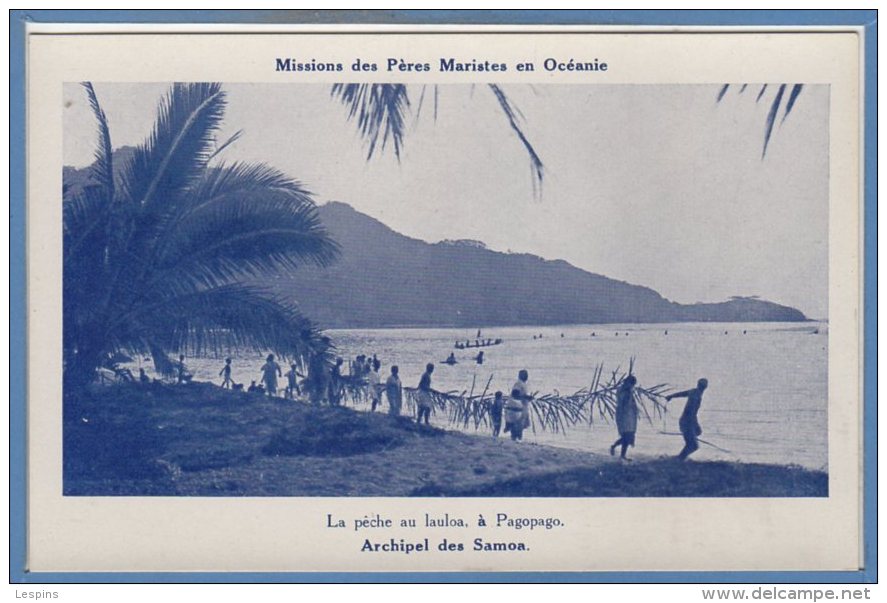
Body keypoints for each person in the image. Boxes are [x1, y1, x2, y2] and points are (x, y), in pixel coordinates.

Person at [666, 378, 709, 461]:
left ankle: (680, 458)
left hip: (686, 421)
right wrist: (695, 425)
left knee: (691, 444)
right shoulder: (696, 396)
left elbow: (682, 394)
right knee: (693, 445)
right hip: (688, 422)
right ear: (705, 387)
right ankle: (679, 459)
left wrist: (671, 396)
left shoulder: (694, 392)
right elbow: (690, 413)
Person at [609, 375, 638, 461]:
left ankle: (621, 454)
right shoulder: (623, 391)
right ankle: (616, 448)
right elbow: (624, 403)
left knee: (628, 435)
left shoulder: (626, 390)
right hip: (624, 415)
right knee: (627, 435)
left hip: (629, 415)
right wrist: (629, 392)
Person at [508, 370, 533, 440]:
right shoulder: (519, 384)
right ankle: (516, 439)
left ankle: (517, 439)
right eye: (524, 375)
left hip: (521, 407)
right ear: (520, 376)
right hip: (517, 407)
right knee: (518, 425)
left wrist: (526, 397)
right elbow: (514, 394)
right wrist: (526, 397)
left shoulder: (522, 384)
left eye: (526, 374)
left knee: (520, 425)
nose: (526, 376)